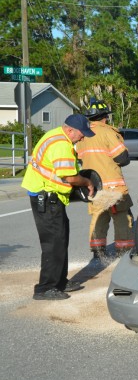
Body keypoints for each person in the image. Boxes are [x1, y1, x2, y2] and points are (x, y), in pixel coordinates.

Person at [21, 114, 95, 300]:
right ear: (69, 129)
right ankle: (45, 288)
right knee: (53, 243)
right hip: (46, 197)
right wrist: (87, 181)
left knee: (60, 239)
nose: (83, 137)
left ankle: (60, 281)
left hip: (48, 195)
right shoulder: (61, 145)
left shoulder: (55, 135)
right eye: (81, 133)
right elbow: (69, 177)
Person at [75, 99, 134, 259]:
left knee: (99, 216)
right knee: (121, 217)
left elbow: (80, 160)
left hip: (94, 186)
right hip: (113, 186)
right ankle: (123, 250)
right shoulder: (108, 132)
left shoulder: (82, 136)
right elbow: (122, 158)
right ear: (104, 117)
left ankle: (97, 250)